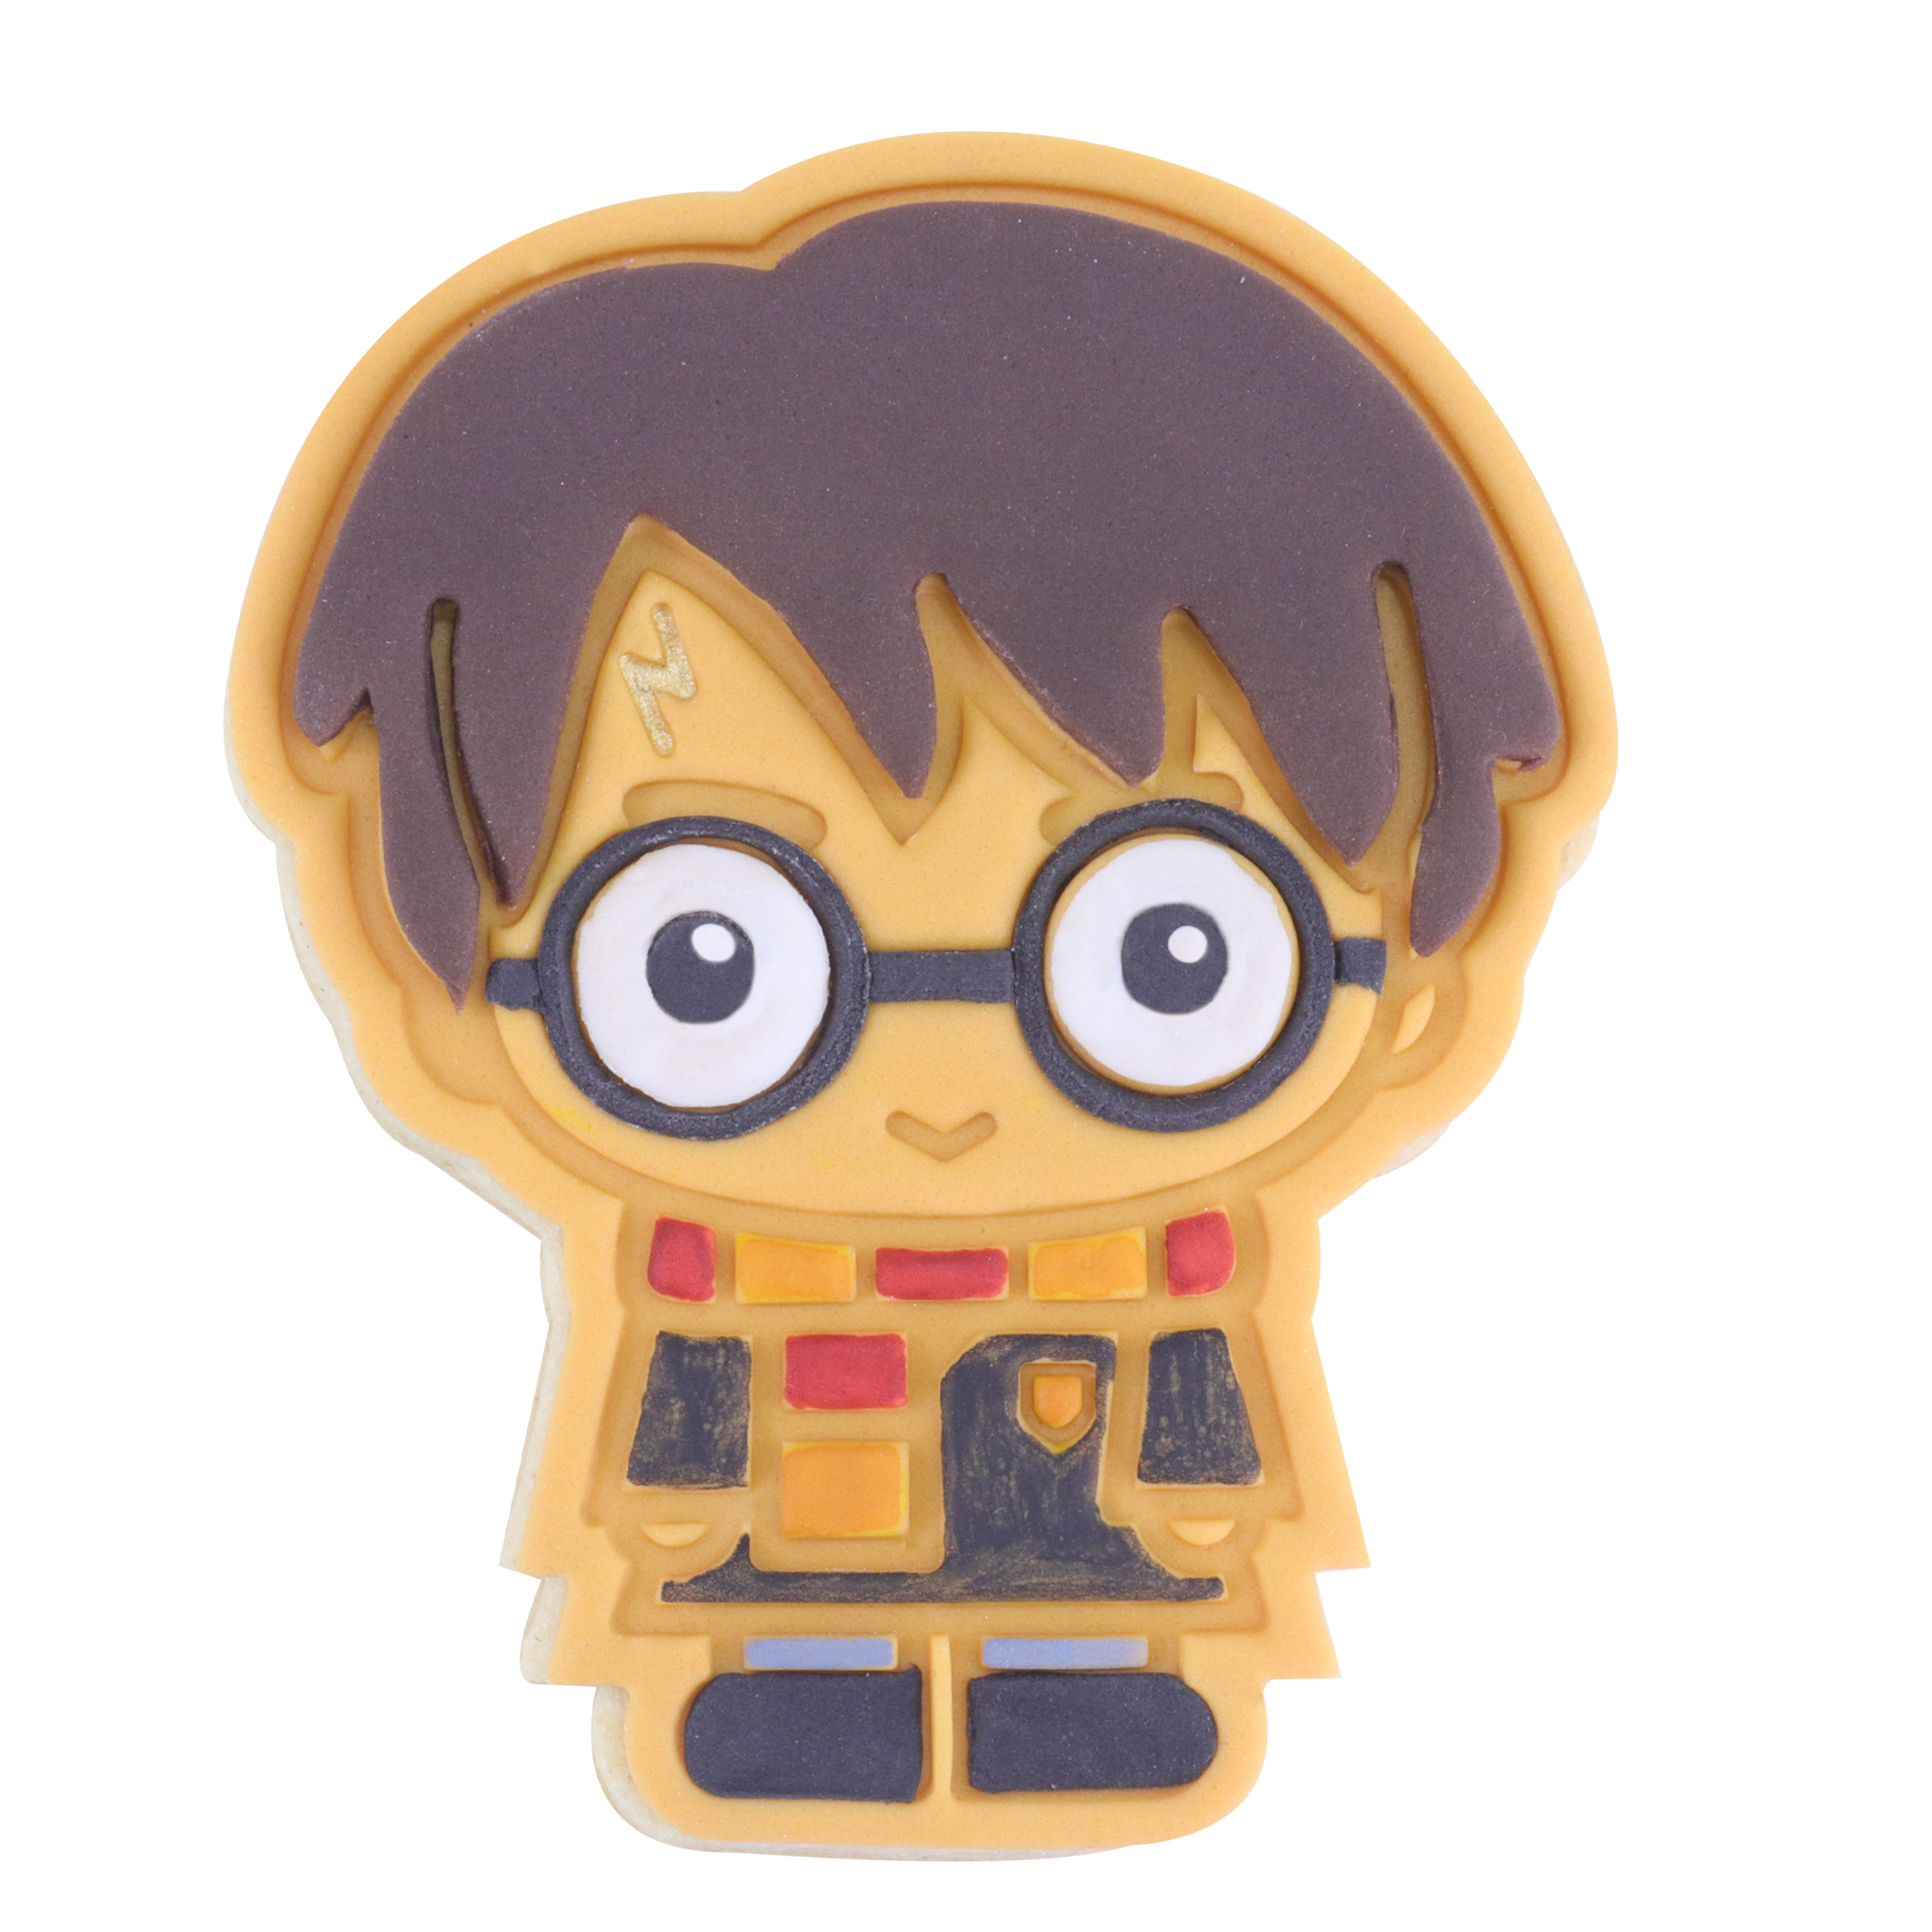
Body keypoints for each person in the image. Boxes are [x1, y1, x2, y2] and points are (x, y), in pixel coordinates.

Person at [233, 145, 1611, 1852]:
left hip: (1090, 1416)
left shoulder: (1176, 1258)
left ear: (1402, 991)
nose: (939, 1091)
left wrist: (1195, 1483)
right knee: (799, 1568)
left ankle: (1083, 1682)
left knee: (1086, 1568)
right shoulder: (711, 1264)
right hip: (801, 1441)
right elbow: (684, 1403)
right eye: (703, 957)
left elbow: (1198, 1398)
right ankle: (806, 1689)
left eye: (1167, 952)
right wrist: (680, 1494)